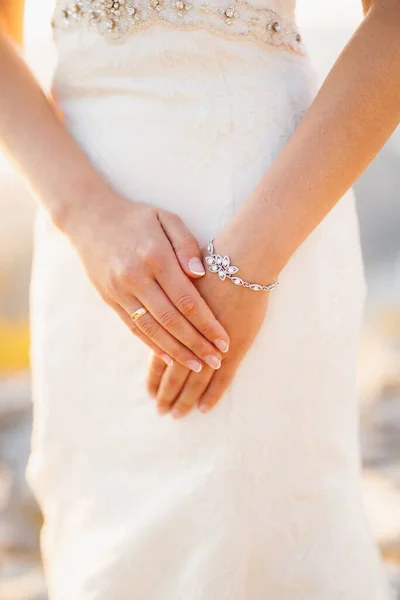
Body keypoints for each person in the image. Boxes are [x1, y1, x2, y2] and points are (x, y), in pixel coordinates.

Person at [0, 0, 398, 598]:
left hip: (263, 219)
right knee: (107, 543)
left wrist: (249, 262)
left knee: (249, 540)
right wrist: (83, 214)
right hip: (83, 247)